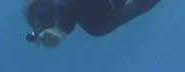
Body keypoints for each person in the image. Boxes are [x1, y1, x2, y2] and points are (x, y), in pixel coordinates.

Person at [24, 0, 162, 48]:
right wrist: (57, 30)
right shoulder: (96, 25)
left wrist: (58, 29)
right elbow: (138, 7)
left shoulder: (96, 25)